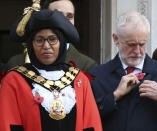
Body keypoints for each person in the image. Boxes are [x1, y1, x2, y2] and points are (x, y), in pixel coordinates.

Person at [0, 1, 102, 131]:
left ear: (61, 43)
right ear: (31, 45)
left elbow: (91, 125)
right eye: (39, 40)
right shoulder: (14, 80)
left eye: (53, 39)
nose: (46, 46)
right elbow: (9, 125)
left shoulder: (79, 80)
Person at [89, 11, 157, 131]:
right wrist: (114, 96)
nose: (137, 51)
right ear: (116, 39)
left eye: (142, 44)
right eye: (131, 44)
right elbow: (84, 121)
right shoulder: (96, 76)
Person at [7, 0, 97, 72]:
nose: (64, 22)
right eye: (58, 16)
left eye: (69, 16)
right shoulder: (15, 63)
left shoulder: (87, 65)